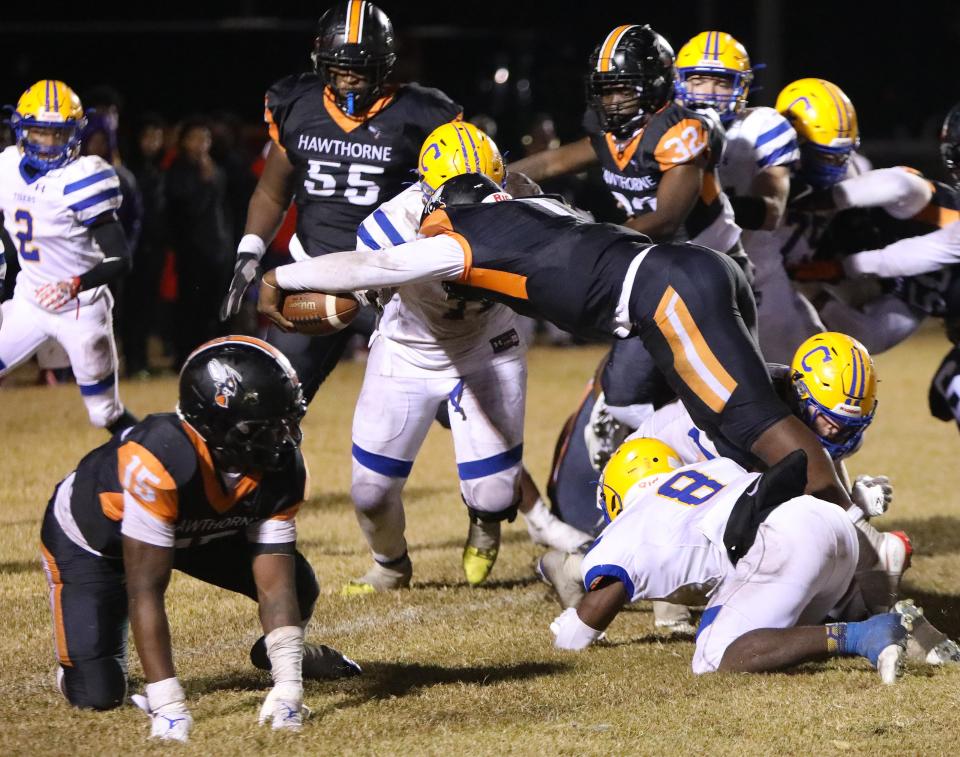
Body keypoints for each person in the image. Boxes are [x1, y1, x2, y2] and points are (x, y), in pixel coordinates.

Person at [258, 172, 857, 512]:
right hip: (694, 273)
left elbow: (370, 267)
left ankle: (854, 545)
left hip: (666, 295)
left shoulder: (460, 238)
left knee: (758, 427)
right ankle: (788, 532)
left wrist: (279, 277)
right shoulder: (537, 205)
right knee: (726, 427)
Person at [39, 336, 360, 742]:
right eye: (263, 427)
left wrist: (288, 687)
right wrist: (169, 704)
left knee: (296, 582)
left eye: (286, 421)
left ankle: (278, 655)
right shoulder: (161, 456)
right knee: (98, 693)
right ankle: (84, 660)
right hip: (99, 542)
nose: (281, 438)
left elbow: (275, 585)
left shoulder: (279, 465)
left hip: (190, 529)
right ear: (214, 424)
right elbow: (145, 590)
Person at [342, 122, 590, 595]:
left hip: (487, 346)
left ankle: (486, 516)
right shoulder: (391, 224)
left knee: (494, 491)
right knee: (370, 492)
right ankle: (391, 564)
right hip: (409, 351)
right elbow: (359, 289)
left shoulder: (524, 199)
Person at [220, 0, 463, 403]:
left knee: (451, 403)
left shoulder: (422, 113)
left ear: (385, 64)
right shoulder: (297, 104)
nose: (349, 78)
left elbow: (454, 193)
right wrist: (249, 252)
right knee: (265, 403)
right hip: (310, 276)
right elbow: (272, 190)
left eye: (361, 68)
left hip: (390, 285)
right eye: (339, 66)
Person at [545, 437, 911, 682]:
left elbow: (587, 621)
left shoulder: (627, 526)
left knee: (714, 657)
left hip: (782, 542)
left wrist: (569, 631)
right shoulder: (711, 468)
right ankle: (910, 631)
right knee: (785, 623)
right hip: (828, 523)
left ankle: (862, 636)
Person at [0, 80, 136, 433]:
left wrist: (75, 284)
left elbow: (121, 259)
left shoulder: (84, 179)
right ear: (20, 129)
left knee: (104, 414)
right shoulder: (7, 167)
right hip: (29, 301)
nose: (46, 144)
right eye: (38, 133)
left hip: (81, 309)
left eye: (57, 135)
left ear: (74, 133)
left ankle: (159, 463)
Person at [165, 117, 233, 368]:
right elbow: (186, 207)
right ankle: (187, 357)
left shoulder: (217, 169)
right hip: (192, 253)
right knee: (190, 309)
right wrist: (204, 180)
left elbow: (224, 210)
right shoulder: (177, 170)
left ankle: (215, 355)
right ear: (183, 142)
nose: (201, 143)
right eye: (195, 138)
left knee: (216, 308)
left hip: (218, 251)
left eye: (205, 138)